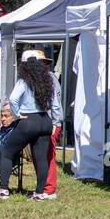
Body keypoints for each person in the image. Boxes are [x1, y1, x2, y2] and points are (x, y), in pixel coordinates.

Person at [0, 53, 55, 201]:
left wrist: (16, 115)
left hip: (29, 120)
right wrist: (56, 121)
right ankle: (40, 193)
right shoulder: (47, 80)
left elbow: (14, 98)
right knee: (41, 158)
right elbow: (54, 103)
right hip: (45, 120)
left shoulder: (24, 81)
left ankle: (3, 189)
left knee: (7, 152)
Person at [36, 51, 64, 197]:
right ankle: (43, 187)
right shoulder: (40, 79)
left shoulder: (50, 79)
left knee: (48, 156)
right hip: (44, 122)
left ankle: (49, 189)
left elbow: (55, 105)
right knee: (40, 155)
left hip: (51, 122)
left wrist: (55, 124)